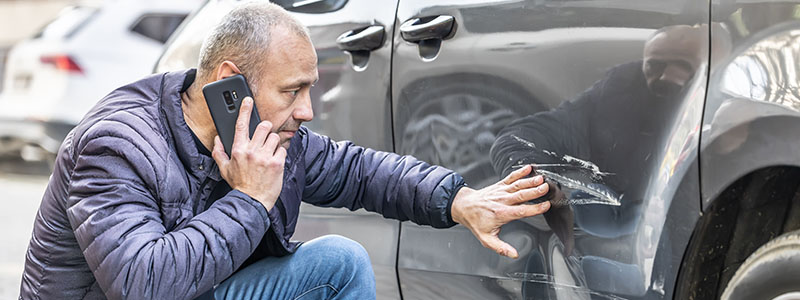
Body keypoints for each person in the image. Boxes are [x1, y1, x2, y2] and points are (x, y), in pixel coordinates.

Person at [18, 2, 552, 300]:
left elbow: (359, 171)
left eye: (310, 89)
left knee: (337, 262)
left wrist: (457, 201)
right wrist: (249, 201)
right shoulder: (118, 145)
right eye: (292, 90)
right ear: (232, 83)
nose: (307, 110)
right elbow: (142, 284)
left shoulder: (263, 135)